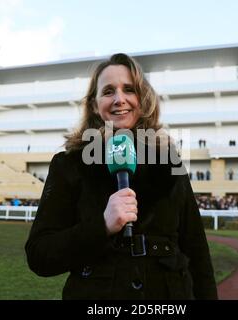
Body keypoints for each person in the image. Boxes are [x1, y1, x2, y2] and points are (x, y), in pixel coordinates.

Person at [25, 53, 218, 300]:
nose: (119, 99)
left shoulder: (170, 162)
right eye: (108, 91)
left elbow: (197, 252)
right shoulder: (68, 164)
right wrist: (101, 226)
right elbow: (40, 255)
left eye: (129, 89)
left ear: (142, 99)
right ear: (94, 105)